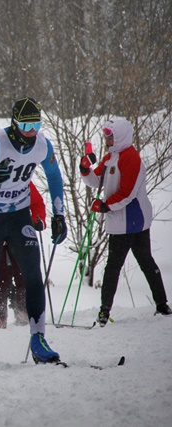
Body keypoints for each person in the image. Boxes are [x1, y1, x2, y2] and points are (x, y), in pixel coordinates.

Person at [0, 97, 68, 364]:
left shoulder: (42, 144)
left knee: (33, 275)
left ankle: (38, 338)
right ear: (14, 122)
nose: (31, 130)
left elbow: (54, 176)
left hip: (19, 215)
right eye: (26, 124)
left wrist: (59, 214)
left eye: (37, 124)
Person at [80, 117, 171, 325]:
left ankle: (161, 304)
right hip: (118, 221)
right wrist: (85, 170)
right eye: (106, 136)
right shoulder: (110, 157)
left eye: (110, 136)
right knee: (115, 267)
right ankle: (105, 311)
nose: (107, 140)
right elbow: (96, 181)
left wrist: (105, 205)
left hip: (134, 221)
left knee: (143, 263)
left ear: (119, 136)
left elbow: (127, 193)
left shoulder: (131, 158)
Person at [0, 183, 46, 329]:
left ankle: (23, 310)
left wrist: (38, 220)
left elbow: (37, 203)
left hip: (19, 234)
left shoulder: (23, 179)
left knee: (24, 273)